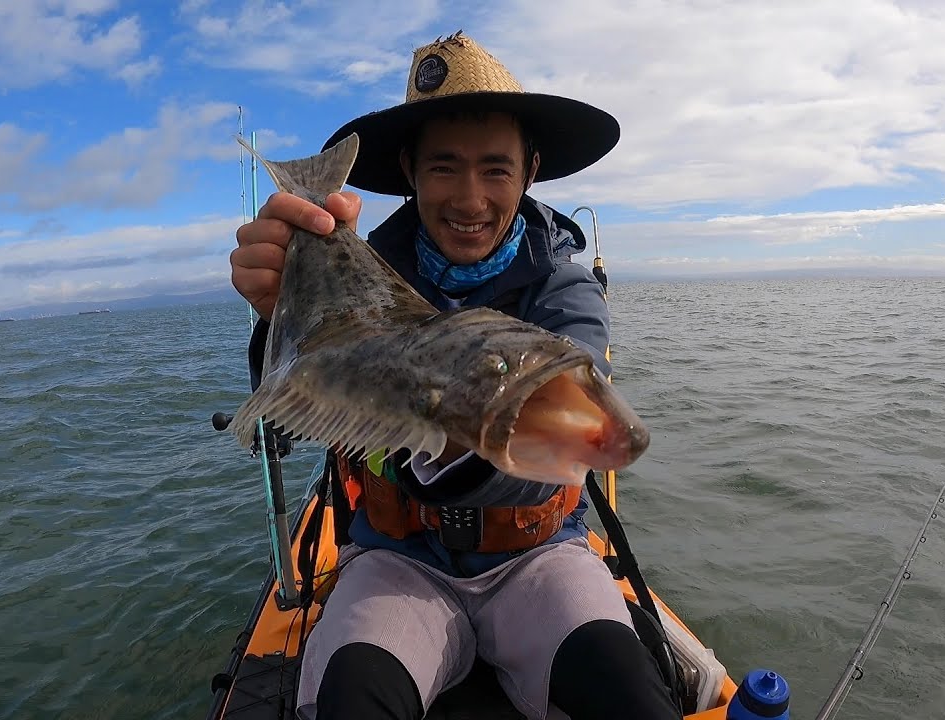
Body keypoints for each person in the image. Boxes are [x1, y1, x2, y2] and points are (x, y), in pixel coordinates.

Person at [230, 31, 680, 720]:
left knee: (632, 699)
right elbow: (298, 376)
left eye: (495, 169)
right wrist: (278, 306)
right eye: (445, 168)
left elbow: (545, 454)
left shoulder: (565, 289)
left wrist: (466, 404)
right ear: (410, 170)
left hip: (538, 557)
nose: (470, 198)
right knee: (351, 699)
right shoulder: (367, 272)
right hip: (394, 560)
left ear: (530, 171)